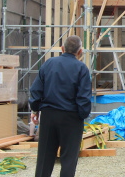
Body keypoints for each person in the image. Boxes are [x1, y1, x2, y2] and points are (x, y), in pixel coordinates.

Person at [29, 35, 92, 177]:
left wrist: (35, 109)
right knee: (69, 159)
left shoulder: (49, 63)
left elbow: (36, 89)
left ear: (62, 48)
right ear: (80, 51)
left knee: (44, 157)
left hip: (49, 115)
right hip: (72, 116)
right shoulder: (81, 68)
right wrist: (82, 115)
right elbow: (84, 97)